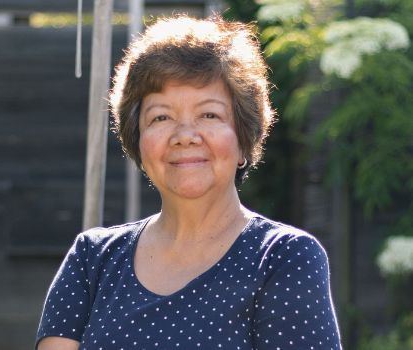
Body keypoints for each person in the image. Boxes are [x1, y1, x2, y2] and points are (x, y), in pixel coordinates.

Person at [36, 15, 342, 350]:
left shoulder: (283, 258)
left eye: (209, 115)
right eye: (161, 117)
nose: (185, 136)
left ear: (243, 138)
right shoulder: (92, 258)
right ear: (138, 141)